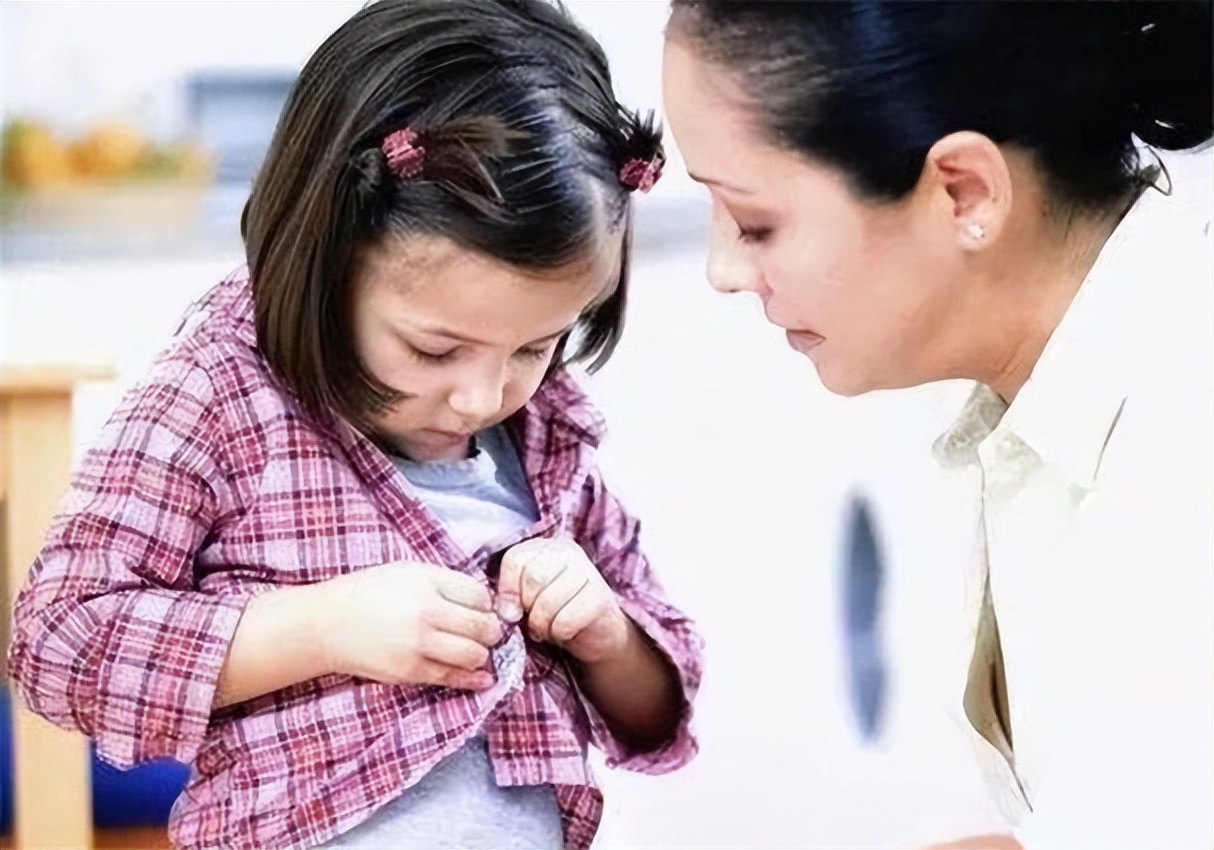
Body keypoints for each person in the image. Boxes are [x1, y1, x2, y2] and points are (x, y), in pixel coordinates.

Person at [8, 1, 703, 848]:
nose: (483, 397)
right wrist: (318, 628)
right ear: (327, 259)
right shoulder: (220, 395)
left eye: (534, 346)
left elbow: (658, 707)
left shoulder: (551, 441)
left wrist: (603, 634)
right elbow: (60, 642)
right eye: (434, 349)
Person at [662, 1, 1211, 847]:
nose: (722, 271)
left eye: (755, 221)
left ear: (963, 190)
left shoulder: (1183, 439)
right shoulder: (1047, 405)